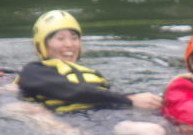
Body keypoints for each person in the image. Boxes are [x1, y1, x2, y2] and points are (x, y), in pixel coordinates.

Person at [15, 10, 162, 113]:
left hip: (104, 121)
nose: (69, 44)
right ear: (41, 45)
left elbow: (106, 99)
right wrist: (128, 100)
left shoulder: (94, 75)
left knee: (153, 131)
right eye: (60, 38)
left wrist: (149, 100)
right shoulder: (33, 72)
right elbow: (69, 91)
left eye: (74, 38)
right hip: (67, 123)